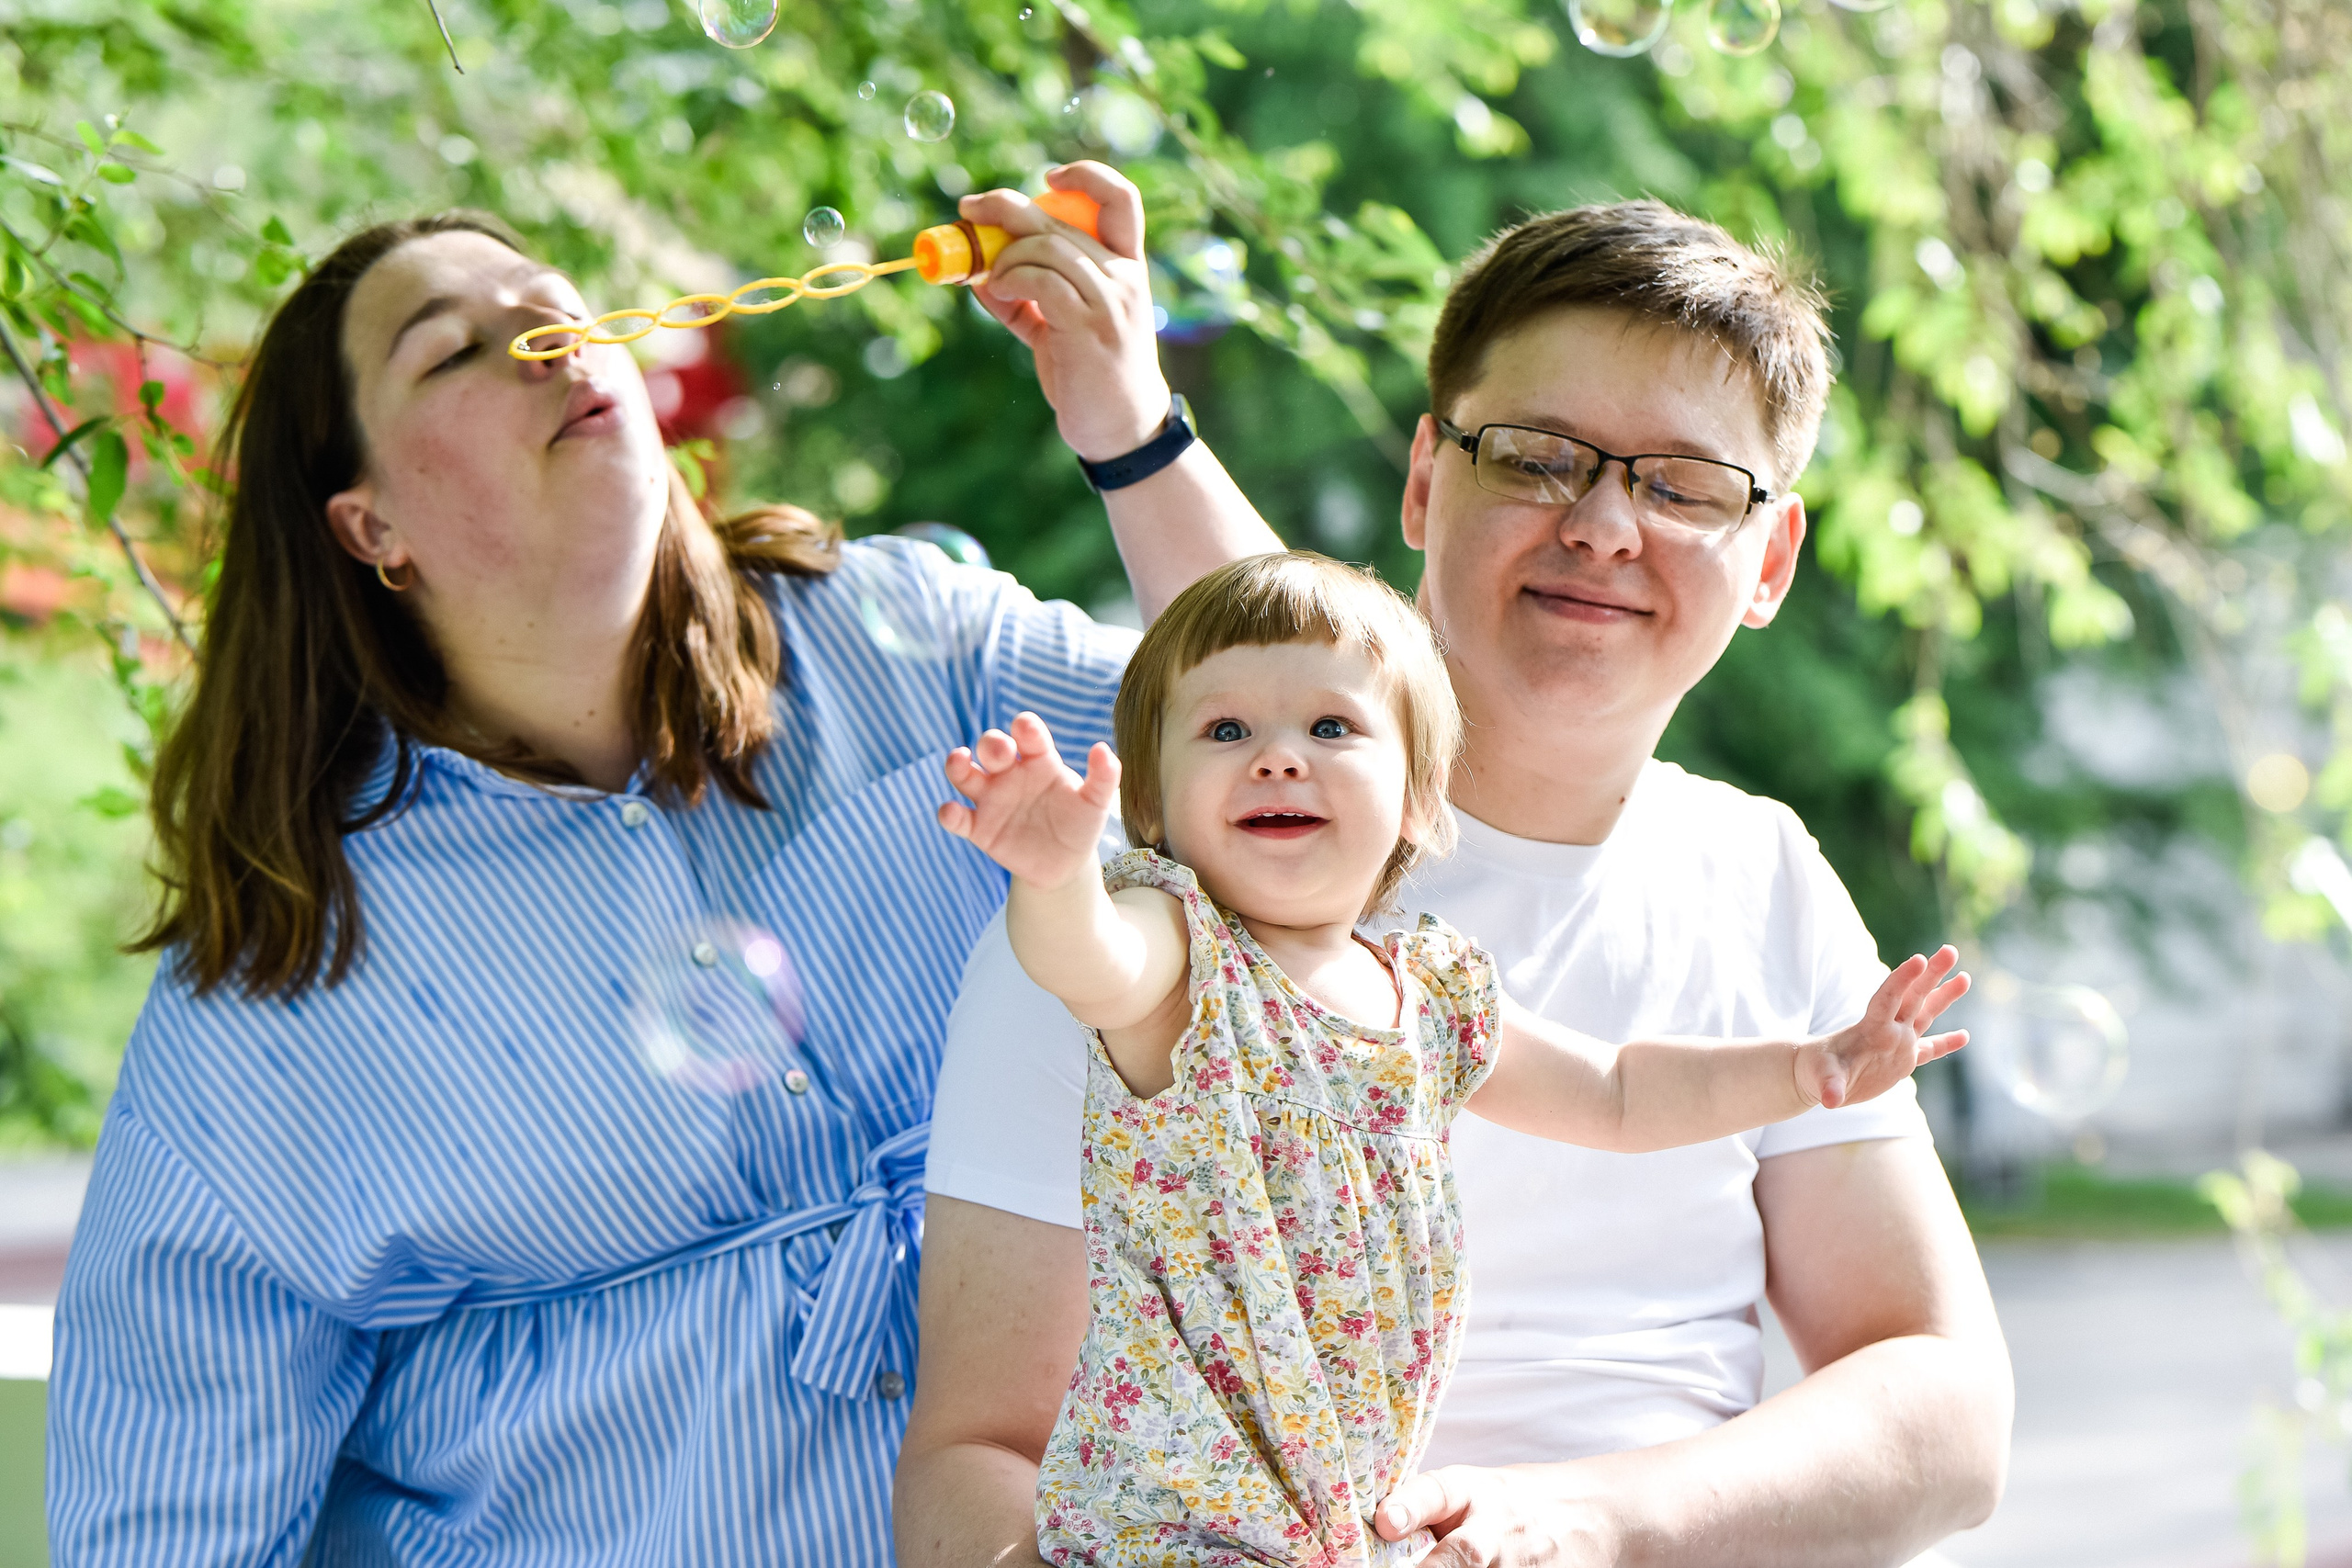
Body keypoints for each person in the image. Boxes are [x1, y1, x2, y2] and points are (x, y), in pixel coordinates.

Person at [47, 164, 1281, 1564]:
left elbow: (1327, 767)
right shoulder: (283, 979)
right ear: (369, 525)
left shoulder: (903, 640)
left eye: (557, 309)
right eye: (457, 350)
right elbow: (167, 1523)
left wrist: (1130, 427)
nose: (550, 343)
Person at [902, 202, 2015, 1568]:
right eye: (1540, 457)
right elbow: (979, 1460)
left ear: (1770, 559)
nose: (1603, 525)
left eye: (1683, 486)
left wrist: (1594, 1518)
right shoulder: (1148, 923)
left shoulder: (1760, 872)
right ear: (1426, 482)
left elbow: (1947, 1409)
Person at [933, 553, 1970, 1566]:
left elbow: (1618, 1093)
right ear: (1156, 803)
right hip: (1174, 1510)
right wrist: (1055, 879)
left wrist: (1803, 1068)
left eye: (1329, 727)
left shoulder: (1430, 992)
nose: (1277, 757)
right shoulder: (1179, 953)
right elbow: (1091, 964)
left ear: (1420, 799)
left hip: (1334, 1511)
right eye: (1225, 729)